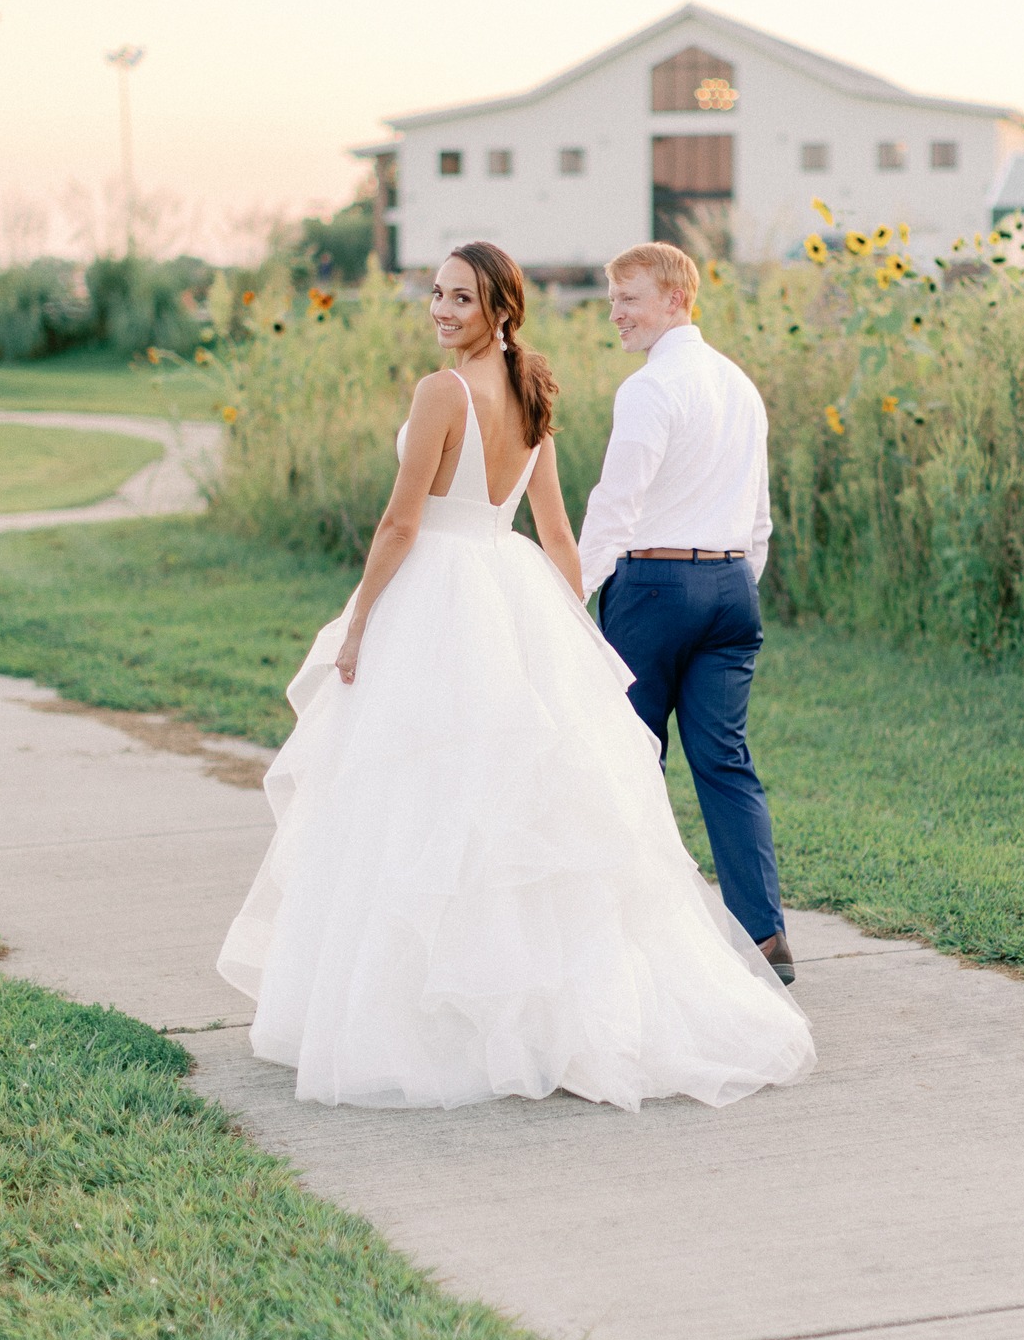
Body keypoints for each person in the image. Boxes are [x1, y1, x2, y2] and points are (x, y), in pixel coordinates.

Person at [217, 241, 813, 1112]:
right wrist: (569, 629)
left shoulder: (442, 392)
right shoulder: (534, 395)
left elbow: (399, 523)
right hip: (514, 590)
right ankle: (510, 1006)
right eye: (436, 294)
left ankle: (428, 1017)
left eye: (461, 297)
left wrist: (360, 623)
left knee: (416, 795)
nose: (441, 310)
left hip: (441, 596)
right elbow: (557, 538)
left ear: (500, 308)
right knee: (501, 799)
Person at [579, 242, 795, 983]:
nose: (617, 314)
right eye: (612, 300)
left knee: (629, 761)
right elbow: (759, 513)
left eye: (630, 299)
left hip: (654, 591)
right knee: (725, 761)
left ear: (676, 298)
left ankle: (631, 939)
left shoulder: (650, 388)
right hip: (733, 588)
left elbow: (616, 503)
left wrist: (572, 593)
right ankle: (766, 937)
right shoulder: (739, 384)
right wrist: (736, 580)